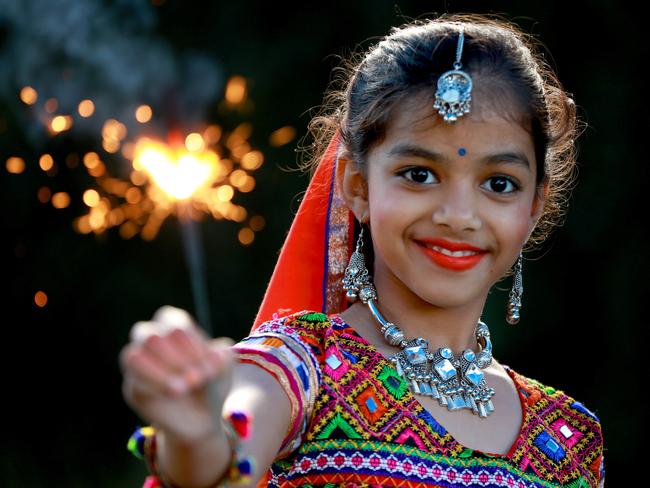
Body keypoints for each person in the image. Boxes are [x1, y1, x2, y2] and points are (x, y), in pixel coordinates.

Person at [120, 13, 605, 488]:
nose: (459, 215)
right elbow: (231, 444)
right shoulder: (300, 366)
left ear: (534, 207)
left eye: (499, 183)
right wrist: (197, 435)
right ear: (358, 186)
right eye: (419, 174)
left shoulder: (569, 443)